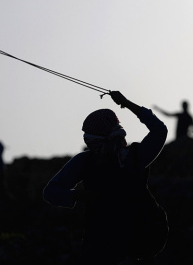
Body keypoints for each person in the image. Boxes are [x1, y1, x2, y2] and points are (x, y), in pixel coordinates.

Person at [43, 91, 168, 264]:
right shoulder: (84, 162)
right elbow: (50, 192)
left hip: (140, 237)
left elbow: (160, 130)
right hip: (101, 241)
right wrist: (78, 196)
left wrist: (127, 103)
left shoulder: (132, 157)